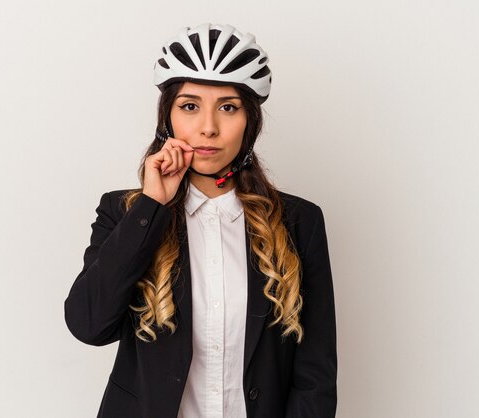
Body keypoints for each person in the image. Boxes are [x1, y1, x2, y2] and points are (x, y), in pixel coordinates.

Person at [64, 23, 337, 418]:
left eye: (228, 107)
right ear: (167, 119)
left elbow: (315, 372)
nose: (208, 127)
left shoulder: (299, 222)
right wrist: (152, 206)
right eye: (190, 106)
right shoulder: (124, 212)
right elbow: (89, 325)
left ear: (251, 122)